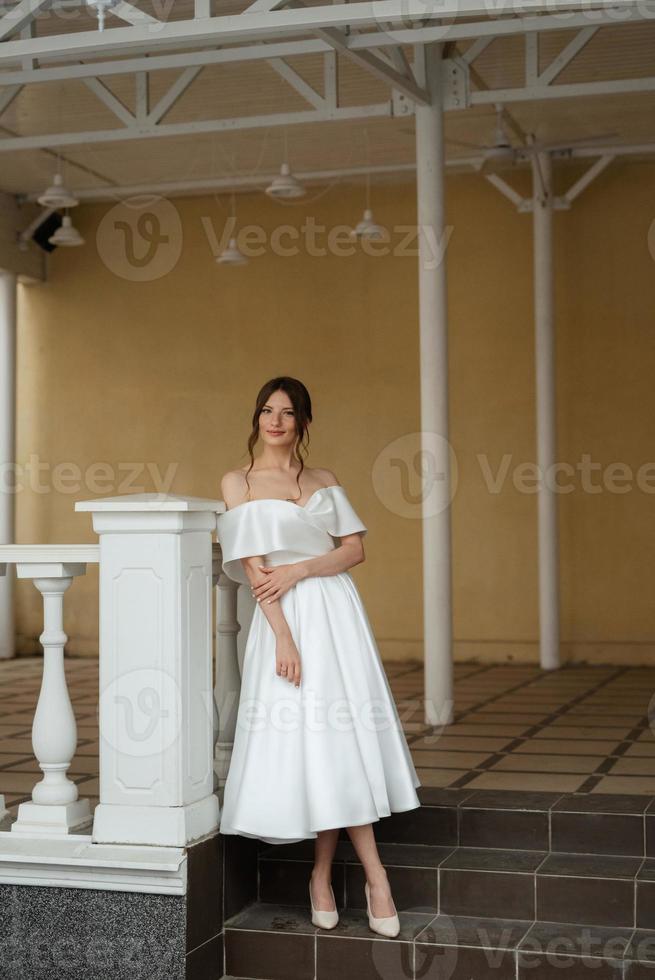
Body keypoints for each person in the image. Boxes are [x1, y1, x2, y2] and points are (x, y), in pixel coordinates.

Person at [216, 376, 421, 938]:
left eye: (287, 412)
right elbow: (256, 568)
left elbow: (353, 549)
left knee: (340, 740)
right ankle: (372, 878)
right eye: (266, 410)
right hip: (285, 622)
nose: (275, 420)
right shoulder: (239, 482)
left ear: (304, 422)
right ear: (256, 419)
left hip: (336, 615)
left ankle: (324, 876)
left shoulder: (324, 479)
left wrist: (302, 568)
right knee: (317, 741)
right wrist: (283, 636)